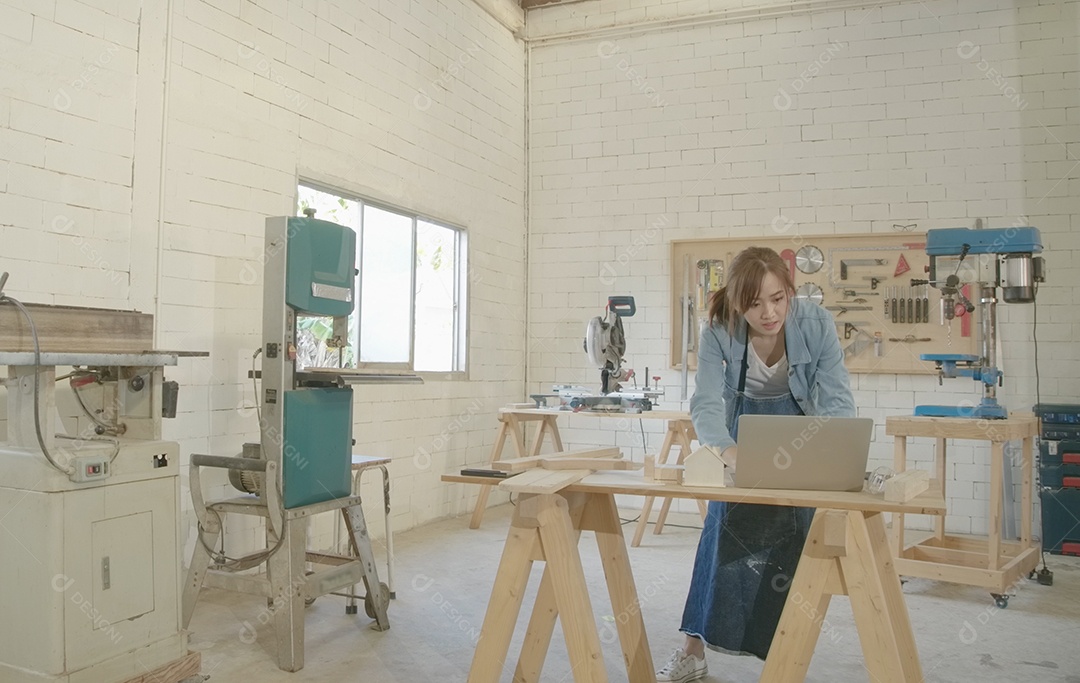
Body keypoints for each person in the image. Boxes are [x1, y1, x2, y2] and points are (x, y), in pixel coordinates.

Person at [656, 246, 856, 683]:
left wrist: (834, 455)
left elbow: (837, 398)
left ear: (790, 291)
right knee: (721, 539)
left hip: (799, 433)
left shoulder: (816, 322)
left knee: (793, 540)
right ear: (735, 302)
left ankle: (782, 661)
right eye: (754, 303)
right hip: (740, 437)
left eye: (778, 299)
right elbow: (706, 403)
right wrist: (730, 454)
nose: (768, 313)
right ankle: (692, 650)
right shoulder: (718, 330)